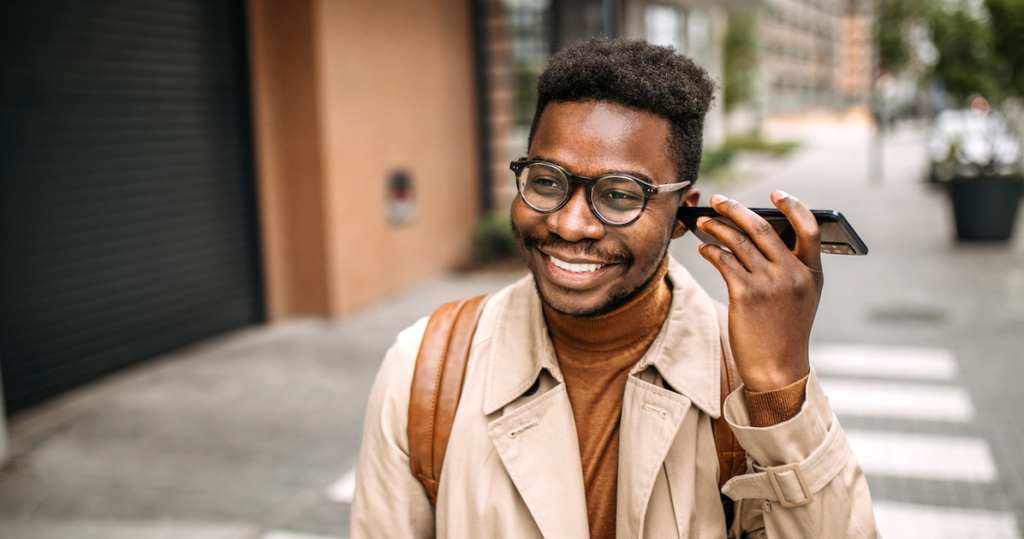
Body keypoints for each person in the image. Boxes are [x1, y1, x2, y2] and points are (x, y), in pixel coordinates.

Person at [351, 38, 877, 538]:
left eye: (620, 195)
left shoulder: (745, 379)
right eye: (546, 181)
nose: (570, 224)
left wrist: (780, 390)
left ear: (680, 214)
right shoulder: (427, 368)